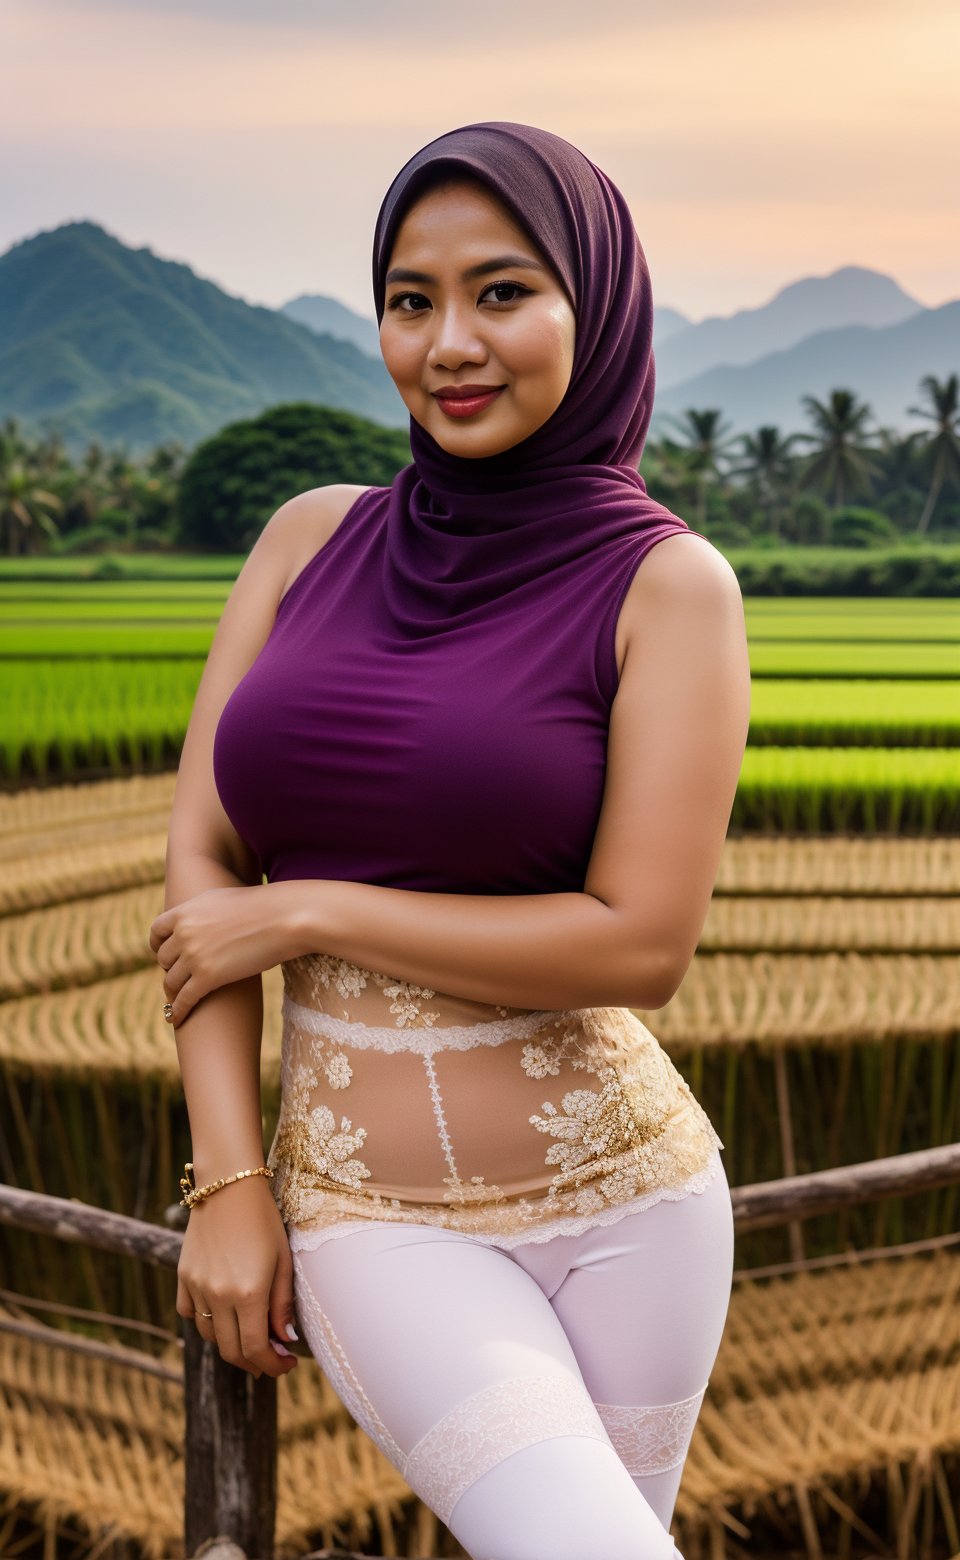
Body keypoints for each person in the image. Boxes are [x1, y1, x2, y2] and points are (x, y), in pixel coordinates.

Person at [150, 120, 751, 1560]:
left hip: (637, 1209)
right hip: (374, 1217)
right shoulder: (307, 539)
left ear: (593, 307)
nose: (449, 342)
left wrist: (311, 915)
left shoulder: (671, 587)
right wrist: (231, 1183)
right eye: (410, 301)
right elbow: (202, 867)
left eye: (502, 291)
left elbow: (640, 944)